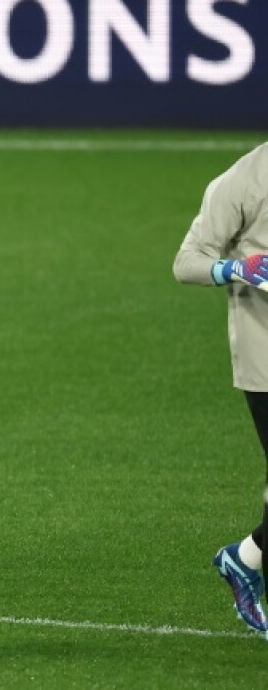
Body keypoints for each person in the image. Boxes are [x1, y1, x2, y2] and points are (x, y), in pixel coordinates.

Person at [174, 146, 268, 634]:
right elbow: (186, 261)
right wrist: (235, 269)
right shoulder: (241, 182)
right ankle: (245, 559)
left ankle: (245, 558)